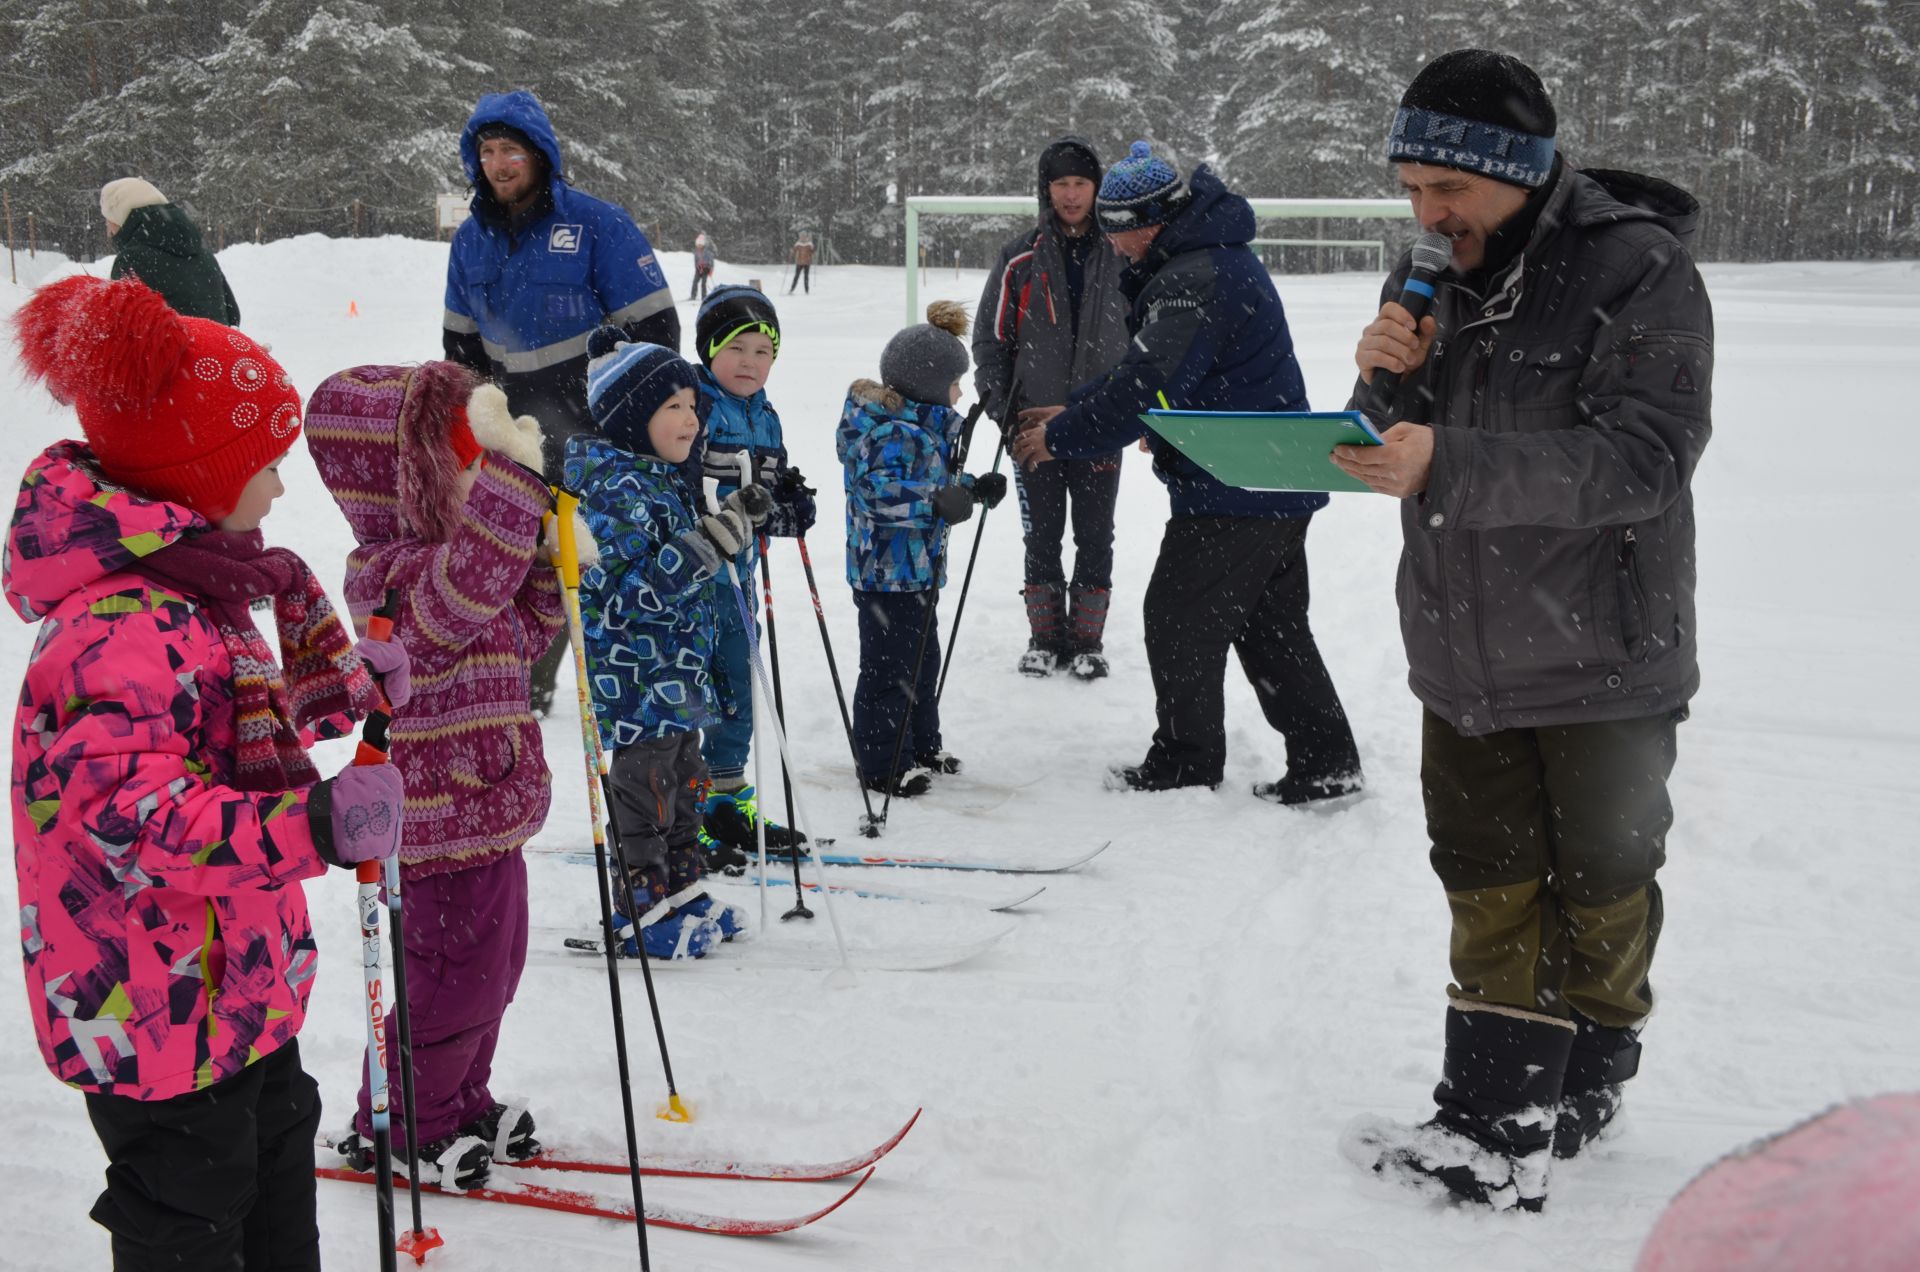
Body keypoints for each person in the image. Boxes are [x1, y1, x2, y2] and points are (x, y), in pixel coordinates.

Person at [1331, 49, 1714, 1213]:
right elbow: (1392, 445)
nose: (1426, 215)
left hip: (1604, 649)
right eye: (1409, 190)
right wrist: (1385, 383)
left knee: (1603, 879)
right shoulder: (1434, 274)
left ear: (1518, 170)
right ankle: (1493, 1117)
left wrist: (1452, 455)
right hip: (1464, 645)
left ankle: (1592, 1067)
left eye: (1445, 191)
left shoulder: (1638, 270)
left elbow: (1645, 460)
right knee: (1486, 875)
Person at [8, 275, 406, 1268]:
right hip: (155, 1012)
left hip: (239, 996)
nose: (279, 490)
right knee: (190, 1221)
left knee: (276, 1199)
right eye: (263, 464)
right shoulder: (116, 628)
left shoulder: (201, 595)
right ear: (189, 474)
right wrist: (310, 827)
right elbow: (139, 817)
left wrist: (350, 686)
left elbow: (232, 740)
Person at [1010, 142, 1362, 803]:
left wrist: (1062, 434)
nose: (1114, 247)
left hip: (1237, 483)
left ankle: (1185, 760)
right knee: (1271, 630)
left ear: (1152, 220)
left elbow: (1149, 386)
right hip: (1267, 475)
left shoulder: (1193, 277)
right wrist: (1082, 408)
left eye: (1120, 231)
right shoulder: (1207, 261)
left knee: (1176, 618)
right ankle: (1325, 763)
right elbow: (1159, 381)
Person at [308, 364, 567, 1191]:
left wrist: (545, 561)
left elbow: (525, 626)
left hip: (490, 806)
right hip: (438, 822)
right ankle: (407, 1122)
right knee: (449, 985)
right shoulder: (391, 574)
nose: (477, 484)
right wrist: (515, 490)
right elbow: (464, 594)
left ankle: (461, 1098)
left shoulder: (460, 563)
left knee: (495, 972)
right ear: (405, 480)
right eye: (464, 468)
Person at [441, 89, 679, 716]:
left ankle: (619, 677)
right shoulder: (469, 242)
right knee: (525, 555)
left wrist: (631, 416)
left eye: (511, 150)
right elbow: (459, 350)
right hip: (514, 427)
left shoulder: (597, 223)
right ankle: (532, 690)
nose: (498, 163)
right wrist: (472, 426)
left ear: (540, 154)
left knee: (603, 552)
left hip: (594, 421)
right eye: (487, 152)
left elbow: (657, 333)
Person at [566, 329, 760, 958]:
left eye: (692, 405)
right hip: (636, 681)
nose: (691, 417)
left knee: (686, 780)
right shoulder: (612, 490)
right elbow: (627, 598)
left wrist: (728, 525)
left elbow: (689, 566)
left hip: (676, 675)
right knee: (645, 788)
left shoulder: (663, 480)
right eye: (672, 406)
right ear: (631, 419)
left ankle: (683, 889)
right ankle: (641, 905)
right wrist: (704, 548)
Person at [975, 136, 1131, 680]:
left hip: (1101, 423)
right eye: (1060, 183)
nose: (1070, 194)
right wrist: (1003, 409)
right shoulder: (1017, 258)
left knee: (1095, 533)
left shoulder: (1122, 253)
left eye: (1080, 183)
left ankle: (1087, 640)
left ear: (1097, 188)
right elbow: (990, 343)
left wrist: (1138, 410)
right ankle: (1044, 637)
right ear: (1046, 188)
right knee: (1041, 532)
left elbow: (1149, 341)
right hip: (1033, 426)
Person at [837, 302, 1007, 798]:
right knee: (889, 670)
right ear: (929, 383)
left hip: (916, 573)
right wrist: (937, 502)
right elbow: (876, 494)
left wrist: (973, 489)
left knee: (920, 662)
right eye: (956, 382)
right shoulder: (891, 433)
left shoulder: (923, 431)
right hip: (885, 576)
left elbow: (937, 484)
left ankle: (920, 744)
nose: (961, 391)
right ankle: (882, 763)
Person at [686, 286, 816, 869]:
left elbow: (773, 481)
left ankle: (726, 800)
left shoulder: (766, 413)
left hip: (742, 577)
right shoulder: (695, 405)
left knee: (739, 683)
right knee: (694, 693)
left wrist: (789, 502)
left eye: (764, 352)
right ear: (709, 350)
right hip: (693, 579)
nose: (750, 363)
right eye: (737, 348)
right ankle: (682, 812)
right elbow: (681, 481)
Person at [100, 177, 241, 325]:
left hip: (173, 348)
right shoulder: (203, 254)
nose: (108, 227)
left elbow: (121, 328)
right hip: (215, 346)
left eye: (108, 219)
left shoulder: (132, 259)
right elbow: (233, 315)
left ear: (122, 217)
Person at [690, 232, 716, 301]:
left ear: (703, 244)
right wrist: (697, 267)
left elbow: (712, 262)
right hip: (699, 269)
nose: (699, 245)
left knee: (703, 283)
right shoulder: (696, 252)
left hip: (706, 269)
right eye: (698, 244)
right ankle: (693, 295)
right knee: (695, 282)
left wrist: (710, 270)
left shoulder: (708, 252)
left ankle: (704, 297)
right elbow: (695, 261)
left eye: (700, 244)